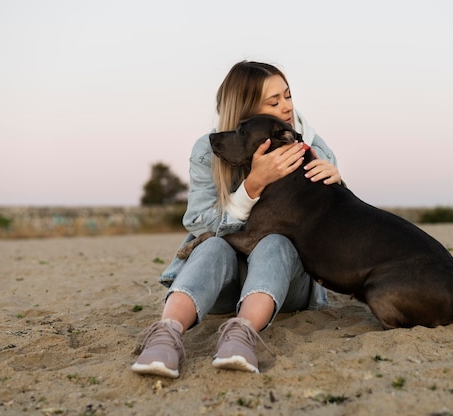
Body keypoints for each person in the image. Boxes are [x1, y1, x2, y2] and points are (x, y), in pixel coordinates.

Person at [132, 60, 342, 378]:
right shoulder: (207, 150)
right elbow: (200, 222)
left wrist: (336, 186)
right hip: (220, 287)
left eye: (287, 95)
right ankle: (166, 334)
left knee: (276, 242)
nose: (286, 107)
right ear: (246, 110)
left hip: (285, 288)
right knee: (213, 246)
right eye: (274, 102)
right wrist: (252, 186)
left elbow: (329, 229)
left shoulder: (310, 147)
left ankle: (242, 335)